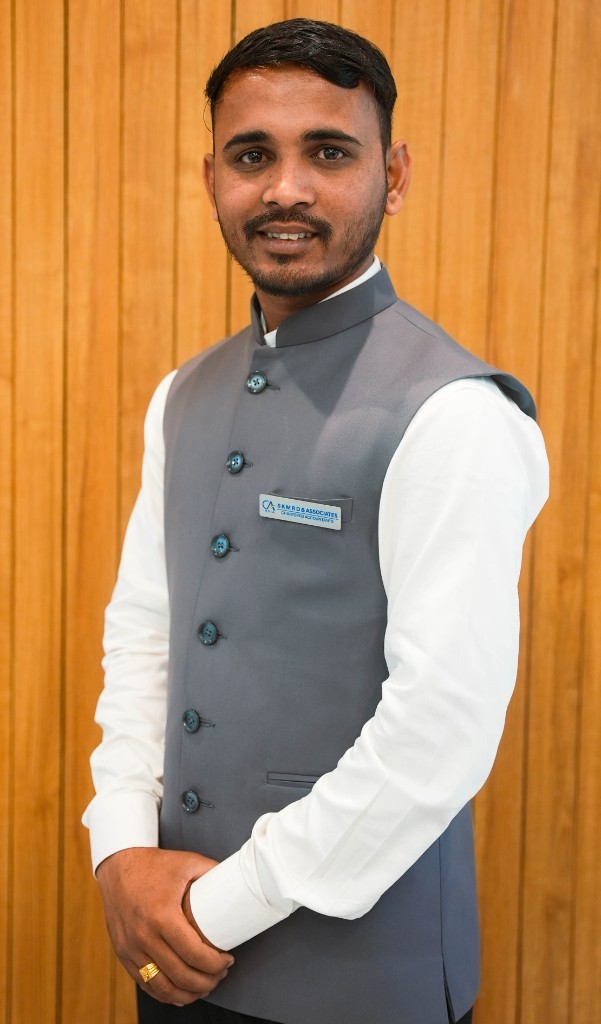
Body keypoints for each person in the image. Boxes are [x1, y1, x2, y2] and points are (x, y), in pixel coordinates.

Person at [83, 18, 548, 1024]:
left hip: (355, 984)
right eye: (252, 155)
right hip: (166, 955)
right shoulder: (181, 394)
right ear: (212, 178)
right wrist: (119, 848)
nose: (285, 188)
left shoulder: (456, 414)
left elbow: (437, 733)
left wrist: (210, 906)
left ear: (394, 174)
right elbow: (145, 635)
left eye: (328, 153)